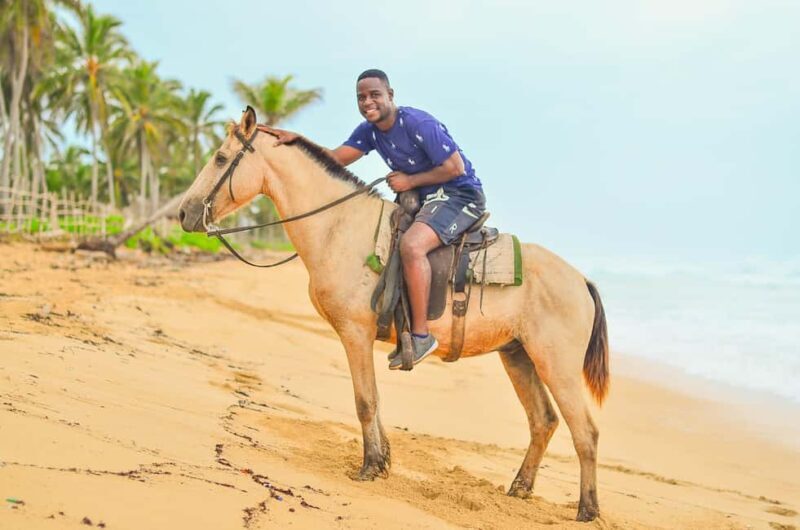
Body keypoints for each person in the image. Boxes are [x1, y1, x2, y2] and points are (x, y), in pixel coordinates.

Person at [268, 69, 485, 370]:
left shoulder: (418, 123)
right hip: (423, 199)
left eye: (374, 95)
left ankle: (421, 336)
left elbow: (455, 167)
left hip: (459, 196)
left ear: (390, 95)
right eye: (361, 97)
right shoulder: (369, 132)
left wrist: (410, 181)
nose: (367, 102)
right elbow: (334, 159)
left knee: (411, 247)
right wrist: (299, 140)